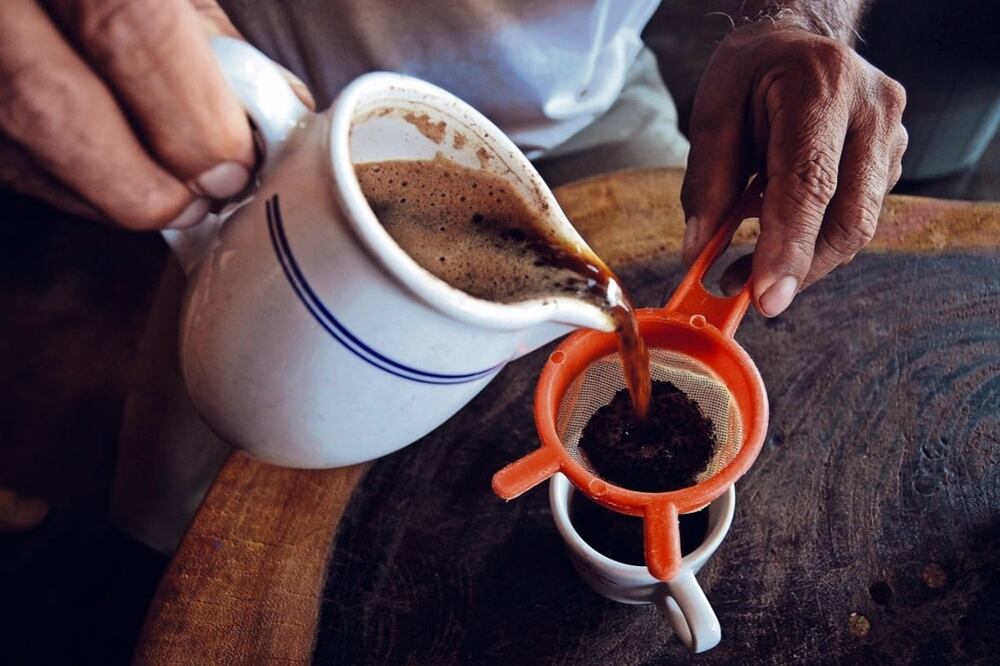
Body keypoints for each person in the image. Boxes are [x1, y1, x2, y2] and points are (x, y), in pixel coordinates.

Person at [0, 0, 907, 549]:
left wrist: (801, 21)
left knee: (656, 267)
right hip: (280, 105)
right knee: (186, 488)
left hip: (585, 98)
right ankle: (134, 558)